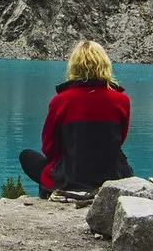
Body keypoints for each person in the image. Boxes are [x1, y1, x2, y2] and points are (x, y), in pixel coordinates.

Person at [20, 40, 133, 198]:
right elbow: (120, 140)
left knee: (27, 156)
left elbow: (49, 147)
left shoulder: (61, 101)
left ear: (74, 66)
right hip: (112, 176)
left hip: (70, 178)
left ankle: (55, 193)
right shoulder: (122, 100)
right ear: (105, 65)